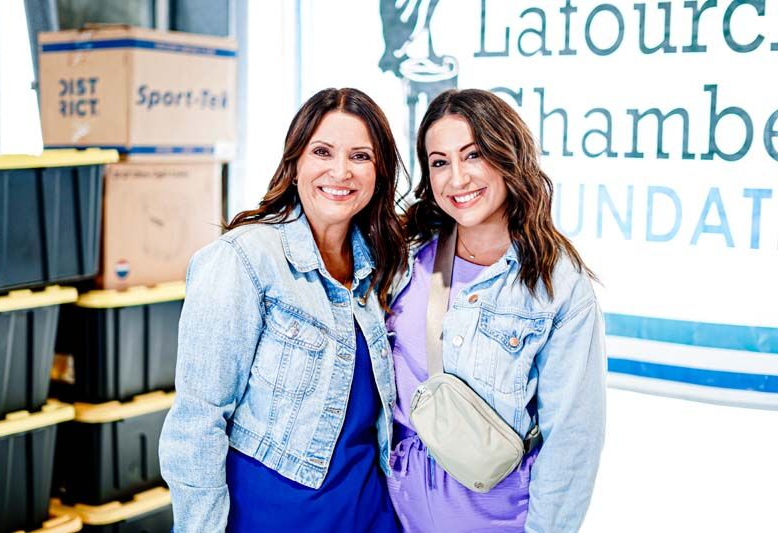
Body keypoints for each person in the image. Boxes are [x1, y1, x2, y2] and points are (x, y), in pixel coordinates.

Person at [159, 88, 407, 532]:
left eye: (360, 157)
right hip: (272, 518)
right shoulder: (244, 259)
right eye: (323, 151)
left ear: (379, 172)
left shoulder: (381, 267)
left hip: (371, 518)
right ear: (295, 164)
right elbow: (197, 422)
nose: (341, 171)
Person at [386, 88, 606, 532]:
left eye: (473, 155)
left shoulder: (558, 287)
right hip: (396, 512)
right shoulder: (406, 255)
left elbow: (572, 441)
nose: (457, 178)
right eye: (440, 162)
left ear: (508, 156)